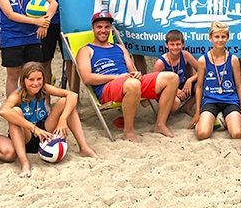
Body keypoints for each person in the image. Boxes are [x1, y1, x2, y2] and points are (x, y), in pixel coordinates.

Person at [75, 11, 179, 141]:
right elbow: (87, 78)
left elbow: (132, 70)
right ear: (93, 28)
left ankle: (160, 124)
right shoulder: (86, 50)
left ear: (111, 29)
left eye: (107, 27)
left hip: (129, 81)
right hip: (107, 87)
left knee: (171, 77)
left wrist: (136, 73)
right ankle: (128, 132)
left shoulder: (119, 47)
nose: (103, 30)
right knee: (133, 84)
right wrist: (117, 77)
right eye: (99, 27)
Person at [0, 61, 96, 177]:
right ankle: (25, 163)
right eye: (31, 79)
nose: (36, 83)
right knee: (15, 112)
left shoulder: (44, 88)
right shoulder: (18, 94)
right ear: (23, 80)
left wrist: (63, 119)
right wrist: (33, 128)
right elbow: (4, 111)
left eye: (39, 79)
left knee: (65, 102)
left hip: (44, 130)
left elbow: (73, 95)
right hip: (25, 134)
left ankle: (84, 148)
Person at [0, 0, 58, 97]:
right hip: (11, 38)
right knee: (13, 75)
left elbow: (53, 3)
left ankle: (34, 106)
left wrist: (44, 23)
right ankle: (12, 108)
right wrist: (36, 21)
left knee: (33, 74)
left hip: (31, 37)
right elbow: (10, 14)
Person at [190, 22, 241, 140]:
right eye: (216, 37)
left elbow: (239, 86)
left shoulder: (233, 59)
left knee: (238, 134)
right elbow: (199, 87)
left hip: (230, 100)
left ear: (227, 38)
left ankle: (226, 119)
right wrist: (197, 112)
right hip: (211, 100)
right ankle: (210, 120)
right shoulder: (203, 60)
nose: (220, 40)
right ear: (210, 38)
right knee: (202, 134)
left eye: (223, 37)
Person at [152, 29, 199, 115]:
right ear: (166, 45)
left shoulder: (185, 55)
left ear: (183, 44)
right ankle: (165, 110)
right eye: (172, 44)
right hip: (167, 90)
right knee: (175, 104)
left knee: (205, 82)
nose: (175, 47)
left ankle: (186, 107)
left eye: (178, 44)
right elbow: (153, 85)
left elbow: (201, 70)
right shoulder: (161, 62)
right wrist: (174, 90)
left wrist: (190, 80)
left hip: (183, 85)